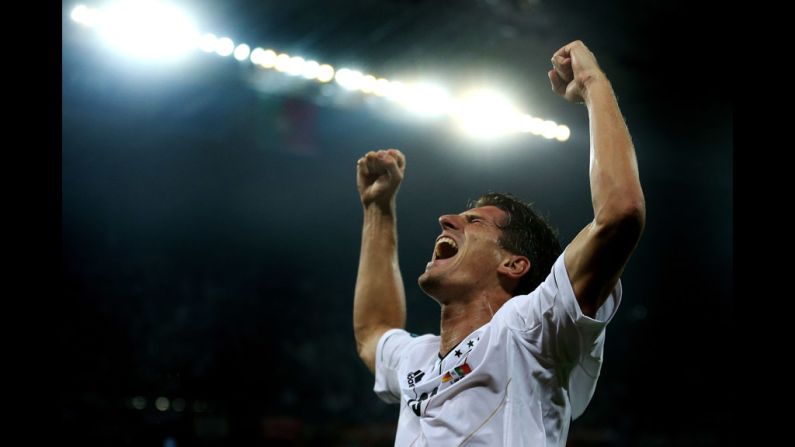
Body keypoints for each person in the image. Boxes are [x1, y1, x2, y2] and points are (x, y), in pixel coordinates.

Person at [352, 40, 645, 446]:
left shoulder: (530, 328)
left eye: (473, 222)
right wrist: (378, 210)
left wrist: (592, 83)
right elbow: (373, 331)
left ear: (513, 264)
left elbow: (620, 215)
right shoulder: (417, 360)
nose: (446, 219)